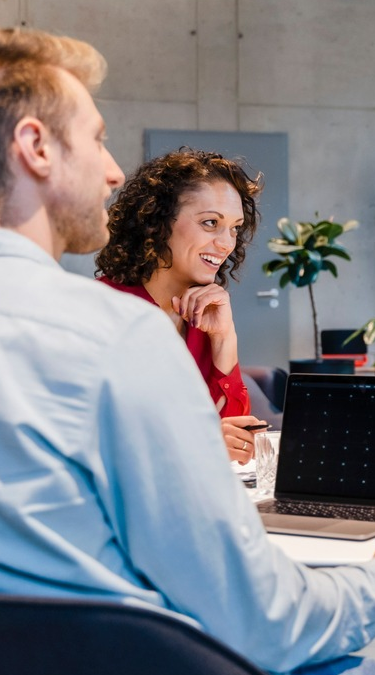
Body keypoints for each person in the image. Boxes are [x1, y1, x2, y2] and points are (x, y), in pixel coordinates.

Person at [0, 26, 375, 675]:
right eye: (95, 137)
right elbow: (261, 622)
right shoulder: (114, 336)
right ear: (34, 146)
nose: (112, 169)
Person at [95, 149, 264, 463]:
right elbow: (98, 441)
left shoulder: (206, 315)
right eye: (210, 223)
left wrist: (225, 340)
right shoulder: (102, 311)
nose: (227, 244)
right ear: (157, 221)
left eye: (235, 227)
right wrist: (201, 443)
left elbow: (236, 435)